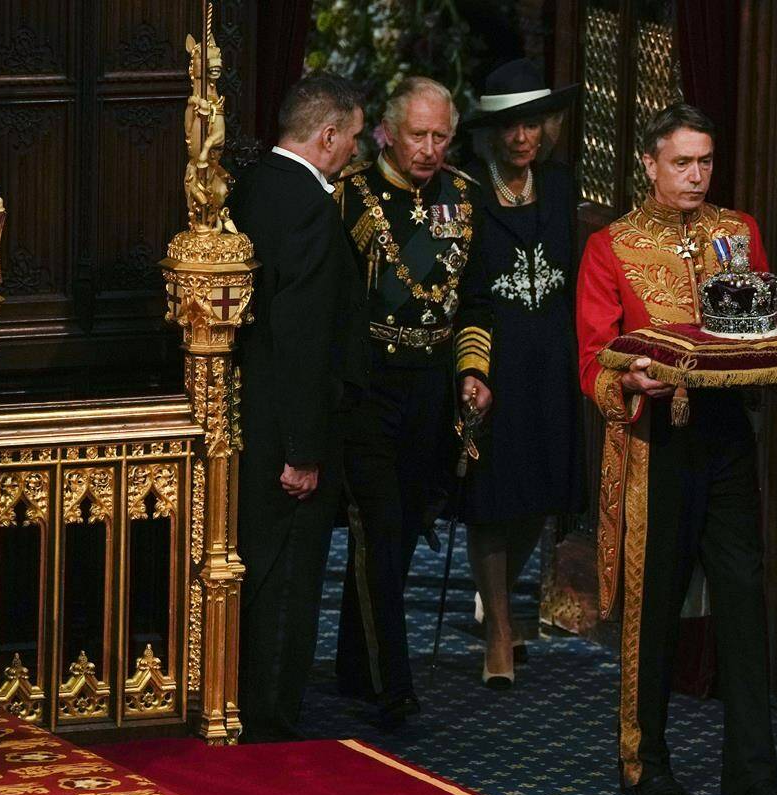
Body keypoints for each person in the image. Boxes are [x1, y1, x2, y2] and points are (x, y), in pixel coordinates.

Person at [576, 103, 777, 795]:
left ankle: (752, 778)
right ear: (649, 164)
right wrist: (631, 380)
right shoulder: (610, 247)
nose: (696, 174)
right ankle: (644, 763)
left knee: (743, 597)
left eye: (705, 160)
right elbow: (593, 357)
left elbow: (762, 322)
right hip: (654, 442)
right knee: (654, 602)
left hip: (726, 431)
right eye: (682, 161)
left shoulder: (739, 231)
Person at [332, 77, 493, 729]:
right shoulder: (351, 199)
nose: (429, 149)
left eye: (441, 137)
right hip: (370, 383)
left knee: (399, 527)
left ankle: (353, 659)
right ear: (388, 133)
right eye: (418, 135)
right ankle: (392, 684)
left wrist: (475, 369)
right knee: (380, 523)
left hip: (431, 385)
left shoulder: (464, 198)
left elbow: (475, 300)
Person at [229, 72, 369, 742]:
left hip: (249, 415)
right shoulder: (311, 208)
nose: (354, 152)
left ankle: (246, 701)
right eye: (353, 138)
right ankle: (271, 715)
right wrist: (305, 451)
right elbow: (305, 340)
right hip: (288, 431)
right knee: (286, 574)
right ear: (328, 135)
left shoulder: (253, 186)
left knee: (257, 563)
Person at [459, 59, 582, 688]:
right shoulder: (466, 192)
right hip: (493, 361)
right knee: (492, 498)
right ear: (490, 133)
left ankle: (498, 606)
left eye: (532, 123)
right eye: (509, 126)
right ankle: (501, 633)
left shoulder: (561, 188)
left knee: (540, 491)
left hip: (551, 360)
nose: (521, 137)